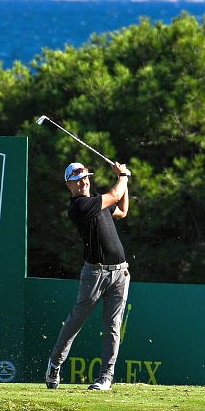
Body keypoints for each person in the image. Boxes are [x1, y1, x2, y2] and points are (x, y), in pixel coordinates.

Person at [45, 160, 132, 391]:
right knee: (76, 321)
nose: (83, 182)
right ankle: (55, 363)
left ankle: (106, 377)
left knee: (113, 326)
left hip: (120, 273)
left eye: (85, 178)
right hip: (95, 273)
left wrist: (126, 181)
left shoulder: (97, 202)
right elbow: (114, 195)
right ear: (69, 185)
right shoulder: (80, 207)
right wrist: (122, 175)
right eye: (77, 180)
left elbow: (122, 211)